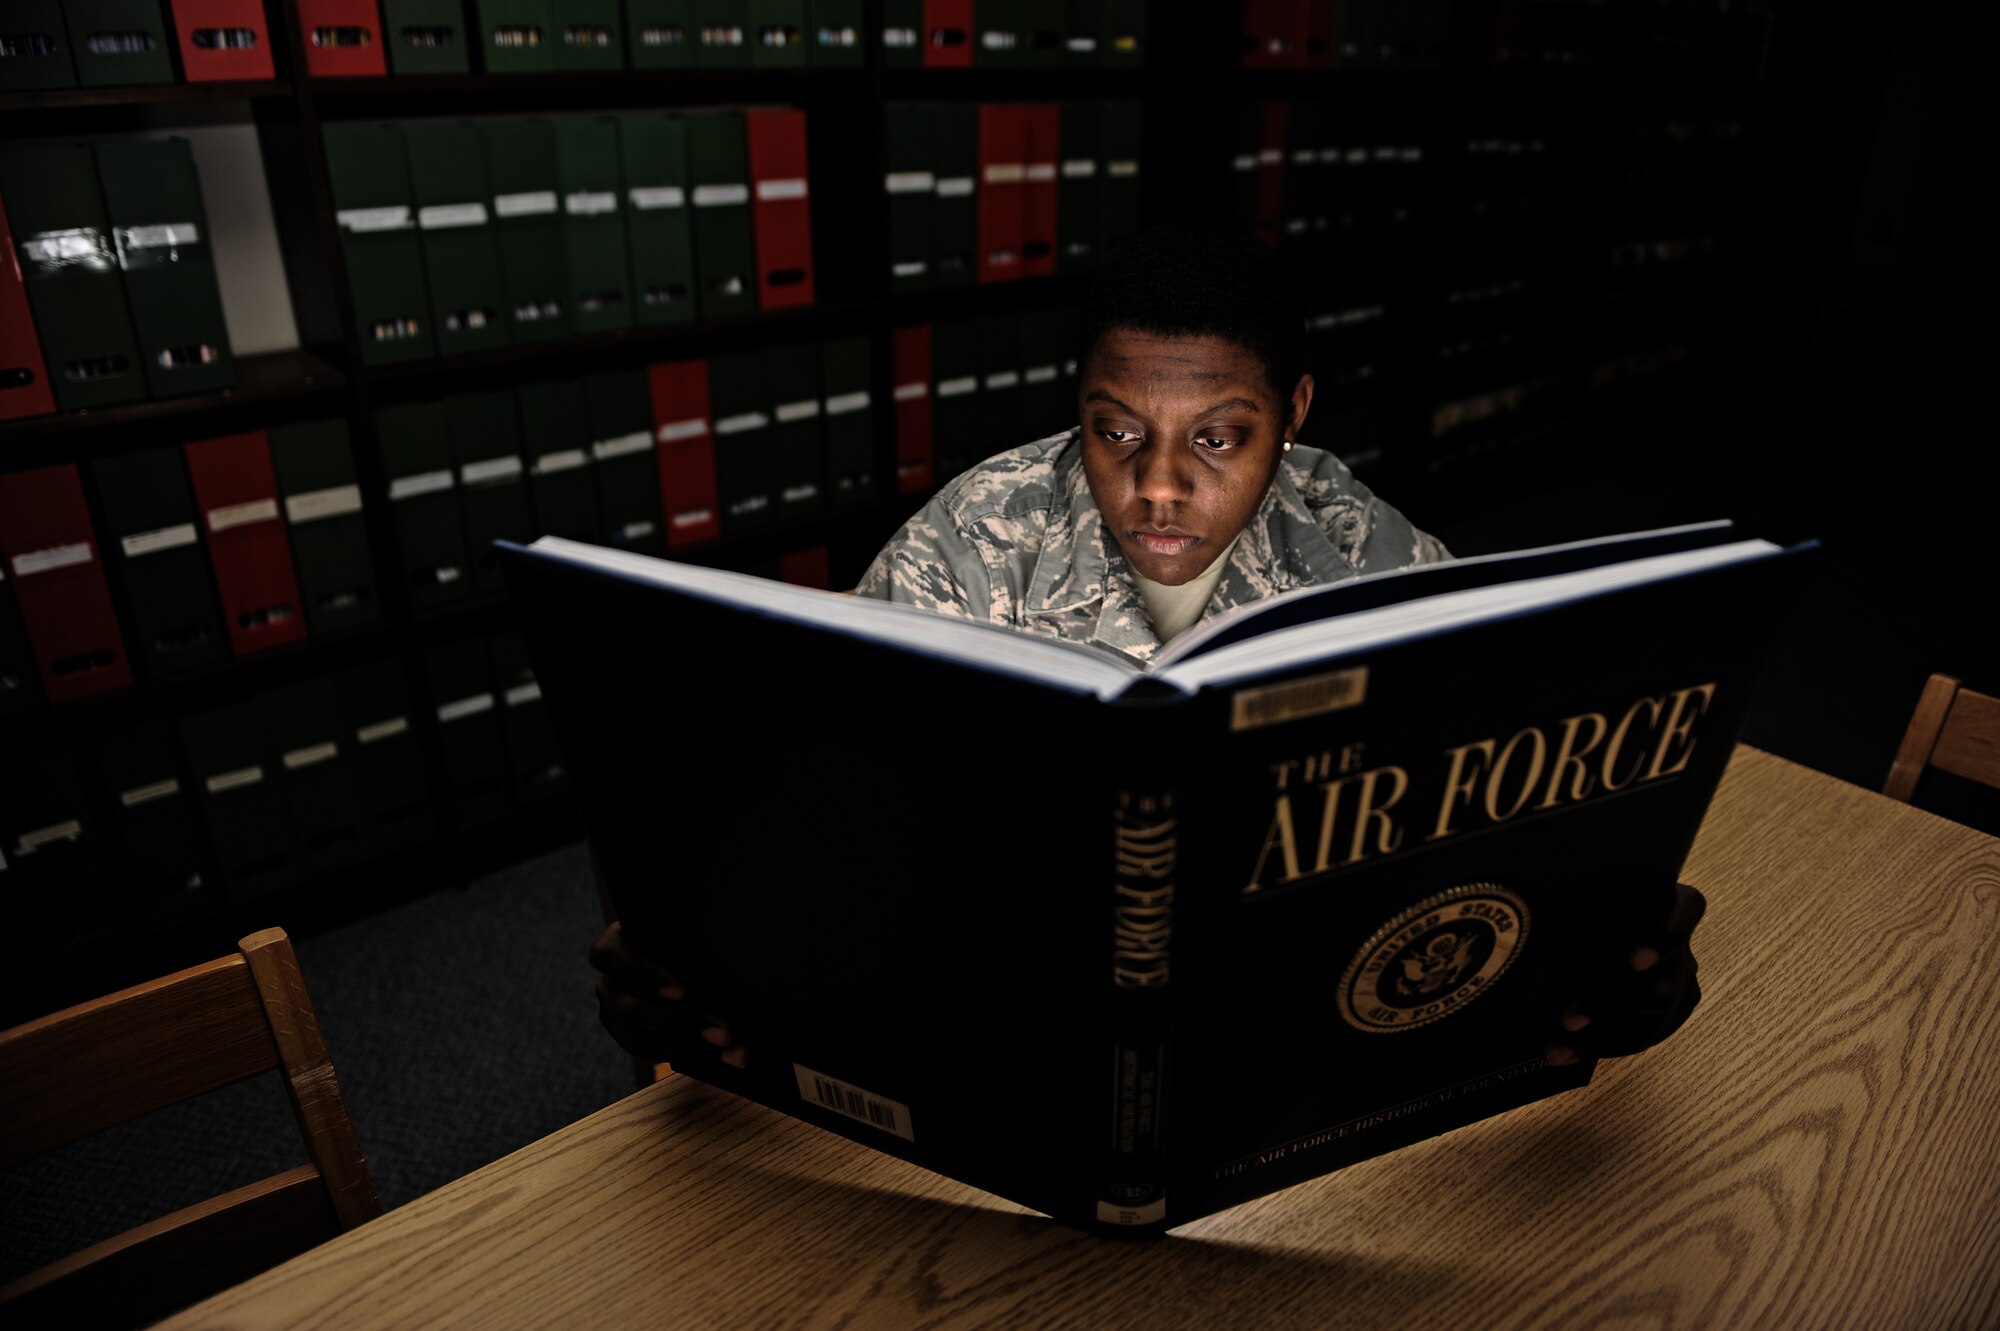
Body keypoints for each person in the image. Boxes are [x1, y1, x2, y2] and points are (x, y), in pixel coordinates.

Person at [591, 219, 1703, 1076]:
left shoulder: (1363, 546)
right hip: (1004, 1033)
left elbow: (1495, 805)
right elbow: (825, 819)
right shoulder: (970, 540)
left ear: (1294, 413)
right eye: (1114, 429)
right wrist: (712, 963)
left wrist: (1581, 956)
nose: (1159, 483)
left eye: (1218, 437)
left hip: (1289, 1036)